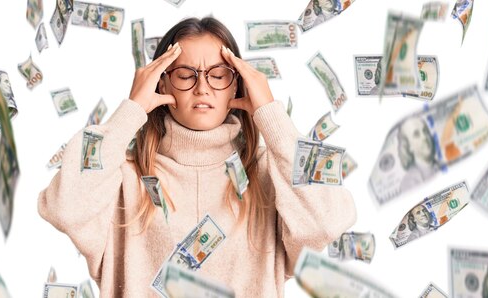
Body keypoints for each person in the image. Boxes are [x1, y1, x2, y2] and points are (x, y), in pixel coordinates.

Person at [37, 17, 356, 297]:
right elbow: (65, 208)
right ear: (161, 81)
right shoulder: (124, 177)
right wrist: (131, 110)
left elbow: (329, 221)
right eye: (186, 74)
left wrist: (271, 116)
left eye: (219, 74)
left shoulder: (269, 176)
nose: (202, 87)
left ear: (237, 86)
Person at [397, 117, 438, 190]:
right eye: (416, 135)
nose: (424, 137)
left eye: (425, 131)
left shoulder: (441, 165)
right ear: (408, 147)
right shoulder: (409, 182)